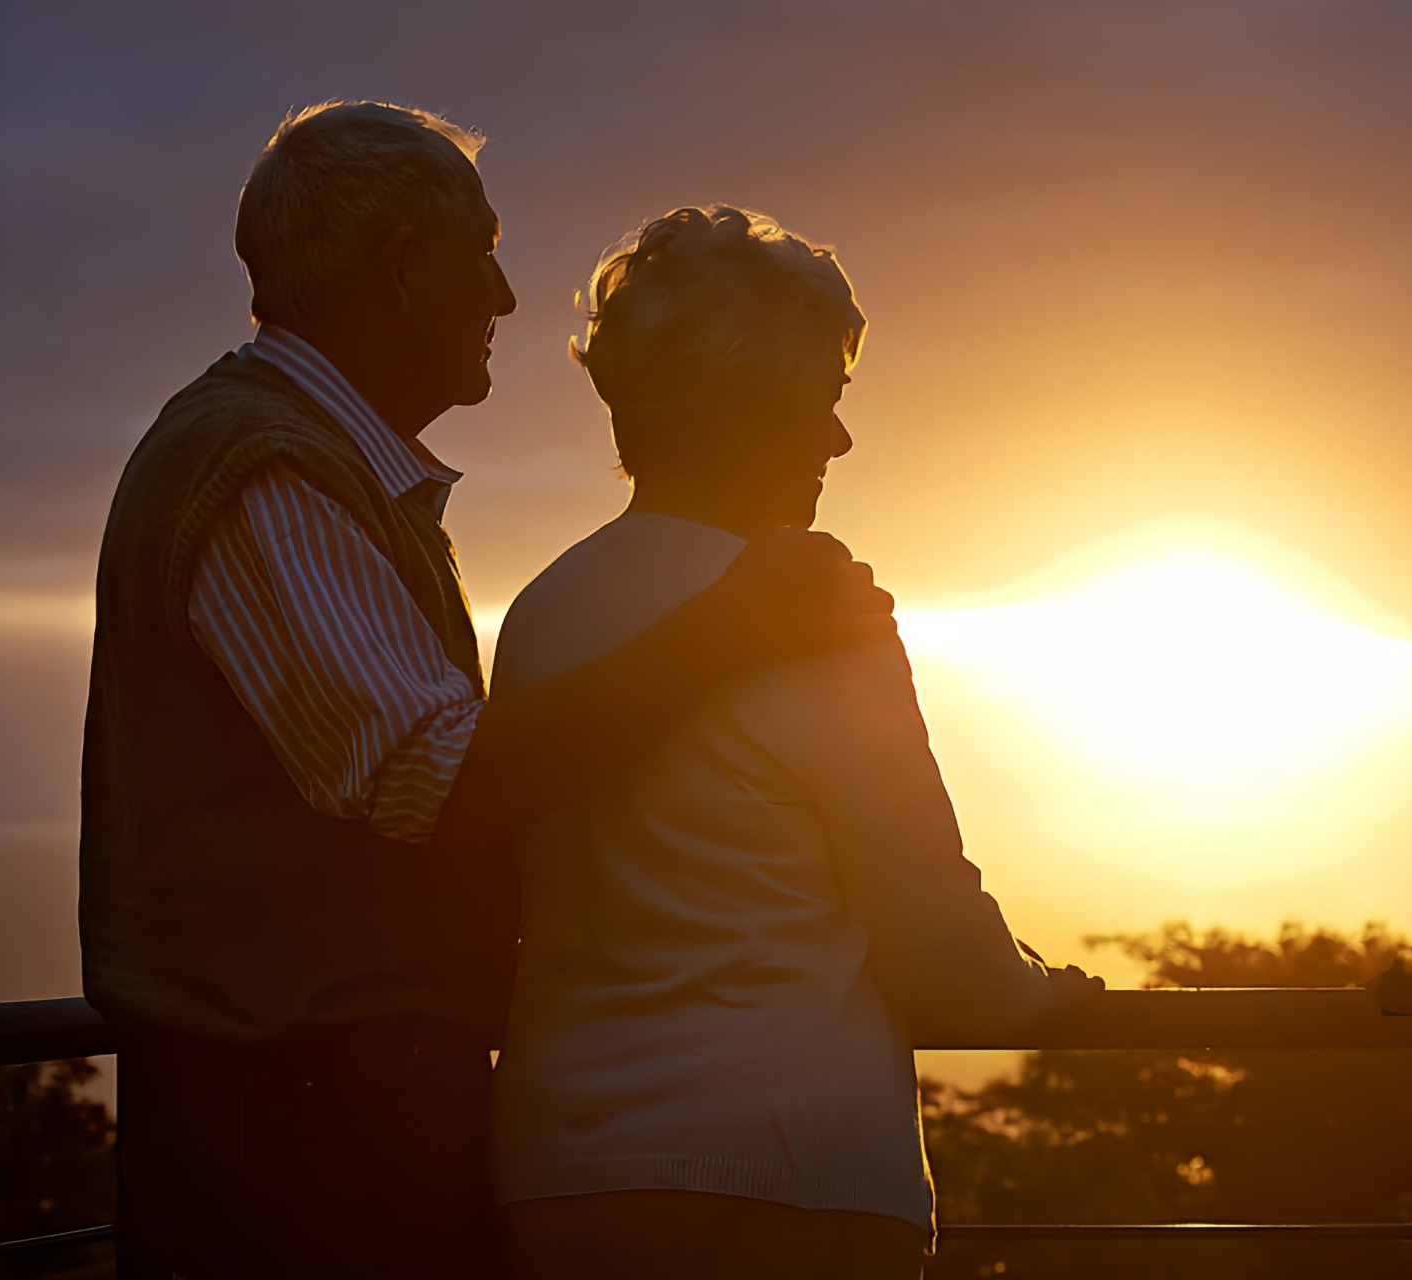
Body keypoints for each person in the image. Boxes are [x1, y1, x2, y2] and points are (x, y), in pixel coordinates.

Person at [80, 106, 891, 1278]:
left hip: (323, 1107)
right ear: (404, 268)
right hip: (304, 1139)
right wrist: (729, 628)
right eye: (485, 253)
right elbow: (435, 775)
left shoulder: (314, 465)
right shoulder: (261, 468)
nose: (507, 297)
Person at [490, 205, 1100, 1280]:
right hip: (787, 1183)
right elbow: (940, 947)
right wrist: (1049, 991)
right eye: (823, 400)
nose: (838, 439)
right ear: (749, 404)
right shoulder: (821, 614)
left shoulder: (538, 616)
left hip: (561, 1180)